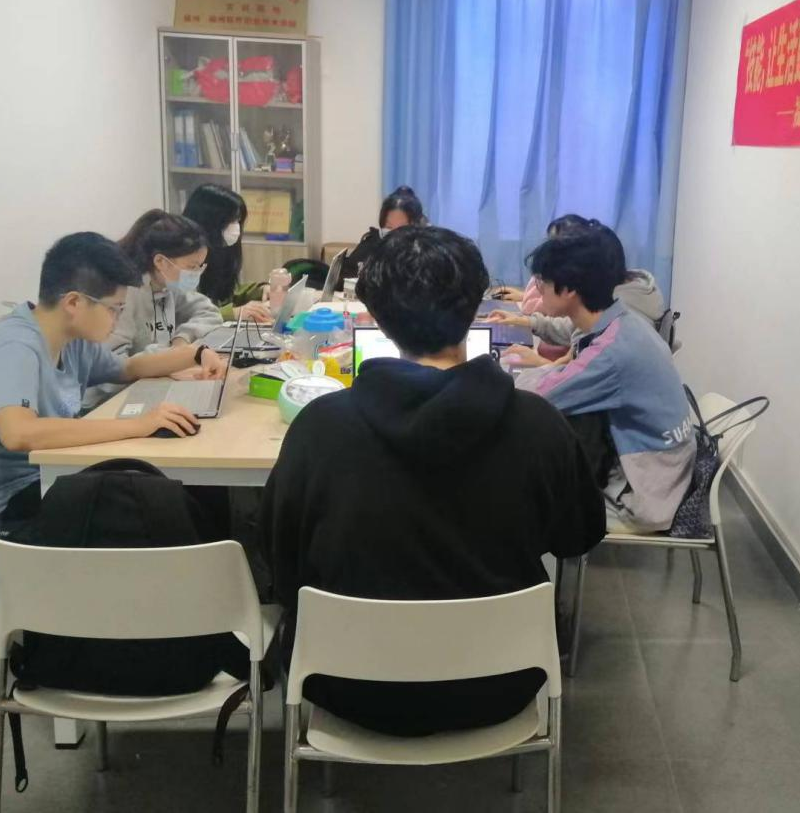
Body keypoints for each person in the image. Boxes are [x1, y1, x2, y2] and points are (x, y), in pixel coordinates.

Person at [261, 224, 604, 736]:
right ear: (475, 307)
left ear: (376, 318)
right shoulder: (539, 426)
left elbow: (279, 555)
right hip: (501, 680)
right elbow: (579, 536)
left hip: (345, 682)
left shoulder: (320, 428)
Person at [0, 233, 225, 549]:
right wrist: (140, 424)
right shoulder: (14, 348)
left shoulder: (72, 341)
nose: (117, 319)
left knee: (165, 490)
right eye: (114, 309)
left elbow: (128, 368)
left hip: (42, 478)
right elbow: (19, 433)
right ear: (74, 302)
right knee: (148, 503)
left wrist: (195, 353)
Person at [510, 228, 695, 534]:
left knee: (520, 469)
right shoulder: (625, 323)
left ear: (569, 289)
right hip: (666, 469)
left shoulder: (613, 351)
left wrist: (498, 375)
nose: (537, 290)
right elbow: (566, 377)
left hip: (644, 494)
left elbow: (541, 397)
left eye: (542, 282)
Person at [487, 218, 667, 355]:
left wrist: (540, 366)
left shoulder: (607, 342)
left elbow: (568, 378)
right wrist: (526, 321)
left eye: (543, 282)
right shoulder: (611, 314)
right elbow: (571, 329)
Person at [110, 209, 224, 357]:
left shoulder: (168, 286)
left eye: (200, 266)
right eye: (191, 267)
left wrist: (182, 338)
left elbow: (209, 313)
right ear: (160, 261)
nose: (197, 273)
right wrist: (171, 357)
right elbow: (113, 360)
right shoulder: (124, 294)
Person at [182, 185, 271, 324]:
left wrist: (260, 290)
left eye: (238, 220)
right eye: (231, 221)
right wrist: (232, 313)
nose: (236, 227)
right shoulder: (183, 257)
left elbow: (225, 292)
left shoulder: (222, 251)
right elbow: (183, 317)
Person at [331, 186, 428, 285]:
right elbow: (345, 277)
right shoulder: (372, 244)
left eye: (401, 229)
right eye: (389, 228)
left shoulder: (425, 254)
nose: (395, 235)